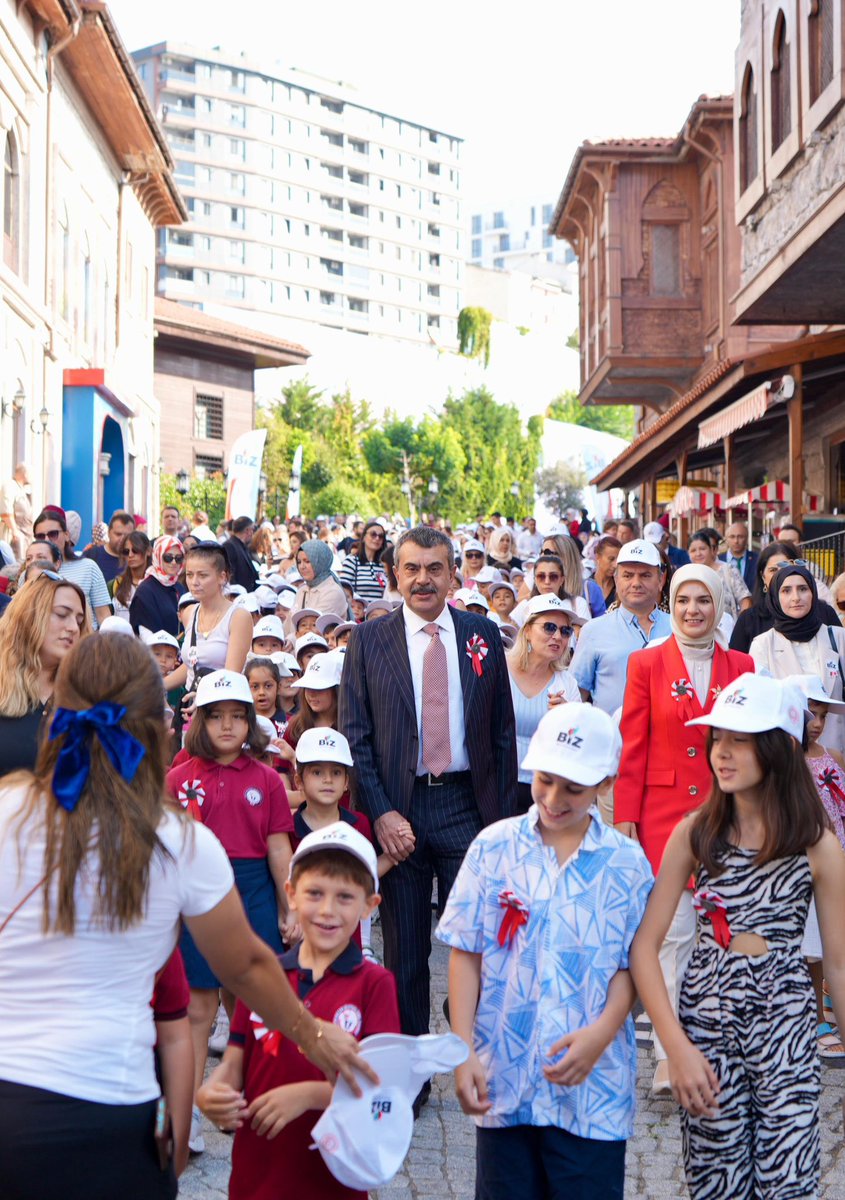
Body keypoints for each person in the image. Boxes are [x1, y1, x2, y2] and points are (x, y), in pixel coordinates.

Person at [0, 636, 376, 1200]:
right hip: (115, 1109)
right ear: (162, 726)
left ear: (56, 710)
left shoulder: (7, 810)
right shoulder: (179, 841)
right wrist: (312, 1034)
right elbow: (248, 965)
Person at [629, 673, 845, 1200]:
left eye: (739, 739)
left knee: (788, 1178)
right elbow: (644, 947)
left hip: (787, 1017)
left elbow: (838, 964)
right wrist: (673, 1048)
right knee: (715, 1179)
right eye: (717, 738)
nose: (721, 753)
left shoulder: (816, 844)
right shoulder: (696, 831)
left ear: (777, 747)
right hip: (708, 1013)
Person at [438, 703, 653, 1200]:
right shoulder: (493, 848)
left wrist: (601, 1033)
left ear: (605, 781)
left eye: (573, 788)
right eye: (546, 780)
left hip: (591, 1091)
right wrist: (464, 1049)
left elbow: (630, 967)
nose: (554, 799)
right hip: (504, 1079)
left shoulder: (627, 865)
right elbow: (466, 952)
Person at [339, 527, 517, 1068]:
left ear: (452, 575)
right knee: (406, 953)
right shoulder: (369, 642)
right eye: (411, 568)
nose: (422, 579)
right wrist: (383, 812)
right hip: (401, 808)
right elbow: (355, 737)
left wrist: (502, 824)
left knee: (480, 946)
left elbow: (503, 735)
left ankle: (475, 1052)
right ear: (395, 574)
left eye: (434, 568)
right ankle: (410, 1067)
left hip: (468, 806)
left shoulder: (481, 633)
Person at [197, 824, 400, 1200]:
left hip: (331, 1179)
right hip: (256, 1175)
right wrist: (214, 1091)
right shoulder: (265, 977)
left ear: (369, 905)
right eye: (315, 893)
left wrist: (308, 1095)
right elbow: (235, 1060)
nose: (327, 910)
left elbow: (381, 1092)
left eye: (344, 897)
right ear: (291, 894)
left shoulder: (375, 985)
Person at [615, 564, 754, 1093]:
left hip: (727, 815)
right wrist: (626, 818)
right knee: (670, 935)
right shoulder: (646, 663)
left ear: (719, 605)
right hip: (662, 816)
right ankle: (671, 1056)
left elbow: (751, 746)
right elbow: (634, 745)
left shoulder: (741, 665)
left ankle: (715, 1047)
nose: (693, 609)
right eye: (684, 599)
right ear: (670, 603)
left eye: (704, 599)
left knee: (718, 933)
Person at [166, 669, 295, 1154]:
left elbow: (279, 849)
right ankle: (186, 1112)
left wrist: (289, 908)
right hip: (194, 896)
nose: (226, 726)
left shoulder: (267, 779)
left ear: (250, 722)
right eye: (215, 716)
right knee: (196, 1007)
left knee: (250, 1002)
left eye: (236, 717)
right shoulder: (177, 779)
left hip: (253, 892)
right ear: (198, 721)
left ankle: (255, 1100)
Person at [749, 562, 845, 753]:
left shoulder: (838, 637)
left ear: (813, 593)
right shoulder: (763, 645)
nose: (796, 598)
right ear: (775, 596)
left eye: (803, 589)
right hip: (788, 761)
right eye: (786, 591)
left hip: (837, 758)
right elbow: (761, 709)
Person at [0, 573, 89, 774]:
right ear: (30, 615)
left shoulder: (88, 692)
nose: (74, 628)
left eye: (79, 620)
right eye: (61, 614)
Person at [570, 540, 671, 713]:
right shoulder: (594, 631)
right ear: (616, 579)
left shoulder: (677, 628)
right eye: (628, 575)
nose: (636, 583)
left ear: (660, 580)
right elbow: (577, 695)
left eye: (646, 575)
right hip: (612, 738)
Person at [506, 594, 584, 813]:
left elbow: (577, 742)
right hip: (497, 784)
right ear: (528, 630)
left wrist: (568, 718)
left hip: (543, 793)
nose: (558, 636)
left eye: (565, 631)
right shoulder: (500, 668)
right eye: (549, 627)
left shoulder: (567, 682)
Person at [33, 508, 111, 629]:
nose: (47, 540)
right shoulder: (29, 573)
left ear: (67, 535)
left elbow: (104, 618)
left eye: (53, 534)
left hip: (84, 644)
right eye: (40, 536)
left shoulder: (88, 568)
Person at [128, 536, 185, 638]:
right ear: (158, 556)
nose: (174, 562)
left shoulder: (179, 588)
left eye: (178, 558)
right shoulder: (145, 590)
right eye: (168, 557)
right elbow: (145, 634)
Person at [688, 531, 751, 622]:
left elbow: (745, 600)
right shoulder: (686, 575)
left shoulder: (728, 570)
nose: (698, 554)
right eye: (693, 550)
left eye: (702, 549)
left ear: (712, 550)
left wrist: (740, 625)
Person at [286, 539, 348, 631]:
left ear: (320, 562)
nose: (302, 567)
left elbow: (314, 629)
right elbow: (288, 625)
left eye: (307, 561)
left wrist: (291, 641)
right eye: (299, 562)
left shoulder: (333, 592)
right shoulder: (302, 590)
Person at [338, 520, 387, 603]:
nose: (377, 538)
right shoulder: (351, 561)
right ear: (364, 537)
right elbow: (343, 591)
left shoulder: (384, 565)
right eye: (373, 534)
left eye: (381, 536)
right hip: (357, 613)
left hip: (380, 613)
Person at [109, 531, 152, 622]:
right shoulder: (115, 584)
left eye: (135, 550)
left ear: (148, 551)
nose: (130, 555)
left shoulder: (157, 585)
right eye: (126, 551)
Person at [83, 510, 135, 584]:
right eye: (118, 534)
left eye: (127, 536)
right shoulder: (92, 555)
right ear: (109, 532)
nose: (122, 539)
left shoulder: (137, 559)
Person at [0, 462, 33, 558]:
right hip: (14, 536)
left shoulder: (22, 489)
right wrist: (14, 531)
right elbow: (5, 511)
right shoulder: (9, 486)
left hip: (25, 534)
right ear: (25, 474)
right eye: (31, 474)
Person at [719, 521, 758, 591]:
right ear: (726, 539)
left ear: (746, 538)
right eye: (732, 537)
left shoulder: (757, 559)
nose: (736, 541)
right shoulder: (718, 560)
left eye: (740, 537)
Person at [223, 517, 259, 592]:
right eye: (252, 529)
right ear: (247, 530)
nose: (253, 533)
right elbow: (230, 575)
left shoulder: (242, 545)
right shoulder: (229, 546)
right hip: (238, 596)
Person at [592, 535, 621, 607]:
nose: (615, 565)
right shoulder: (586, 587)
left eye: (618, 560)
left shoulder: (620, 588)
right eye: (611, 559)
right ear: (598, 557)